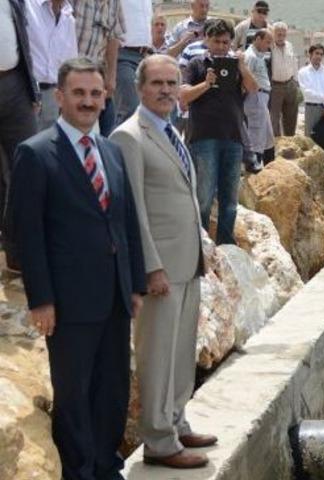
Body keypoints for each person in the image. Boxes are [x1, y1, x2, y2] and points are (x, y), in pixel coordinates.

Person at [8, 56, 146, 480]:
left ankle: (106, 464)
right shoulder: (34, 153)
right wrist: (42, 299)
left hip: (115, 296)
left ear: (106, 99)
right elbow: (24, 235)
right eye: (79, 93)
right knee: (73, 394)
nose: (88, 102)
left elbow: (126, 221)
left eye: (95, 94)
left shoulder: (112, 151)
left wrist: (135, 283)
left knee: (113, 390)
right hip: (68, 303)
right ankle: (79, 471)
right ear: (60, 96)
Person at [110, 54, 213, 470]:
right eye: (158, 83)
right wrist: (150, 266)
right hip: (160, 269)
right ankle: (158, 440)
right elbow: (133, 209)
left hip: (188, 260)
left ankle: (177, 420)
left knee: (181, 350)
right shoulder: (129, 137)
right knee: (156, 354)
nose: (167, 90)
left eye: (173, 83)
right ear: (139, 88)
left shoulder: (171, 130)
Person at [180, 19, 257, 245]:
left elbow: (253, 89)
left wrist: (242, 67)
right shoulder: (195, 64)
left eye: (226, 42)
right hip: (203, 139)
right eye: (217, 41)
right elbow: (183, 97)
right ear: (207, 40)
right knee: (203, 196)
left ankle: (226, 243)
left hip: (233, 138)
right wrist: (206, 84)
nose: (222, 46)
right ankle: (201, 244)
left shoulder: (236, 66)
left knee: (230, 198)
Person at [1, 0, 39, 271]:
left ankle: (19, 251)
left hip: (15, 84)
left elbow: (25, 42)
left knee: (27, 166)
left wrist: (32, 90)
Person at [73, 0, 124, 134]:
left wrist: (111, 76)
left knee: (108, 125)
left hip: (95, 72)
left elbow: (114, 37)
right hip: (69, 73)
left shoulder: (114, 3)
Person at [25, 0, 78, 130]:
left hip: (52, 98)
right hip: (25, 94)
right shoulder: (26, 6)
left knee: (44, 148)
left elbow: (70, 66)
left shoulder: (69, 20)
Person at [114, 0, 153, 126]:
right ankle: (120, 144)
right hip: (122, 54)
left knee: (148, 111)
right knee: (130, 109)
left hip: (144, 56)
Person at [243, 30, 274, 170]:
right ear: (258, 39)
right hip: (255, 96)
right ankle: (253, 165)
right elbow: (245, 79)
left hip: (262, 97)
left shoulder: (258, 56)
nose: (269, 45)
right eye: (267, 42)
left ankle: (267, 166)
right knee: (256, 133)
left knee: (266, 135)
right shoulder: (250, 56)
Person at [269, 22, 299, 137]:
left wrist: (296, 82)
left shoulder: (289, 45)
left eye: (283, 34)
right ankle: (276, 145)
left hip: (290, 84)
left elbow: (294, 63)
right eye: (278, 34)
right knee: (274, 118)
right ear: (273, 34)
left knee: (291, 116)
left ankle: (290, 141)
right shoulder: (269, 47)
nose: (281, 37)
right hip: (275, 86)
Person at [297, 43, 324, 138]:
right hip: (311, 109)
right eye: (317, 53)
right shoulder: (303, 72)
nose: (319, 56)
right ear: (310, 54)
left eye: (321, 54)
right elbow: (307, 93)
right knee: (311, 139)